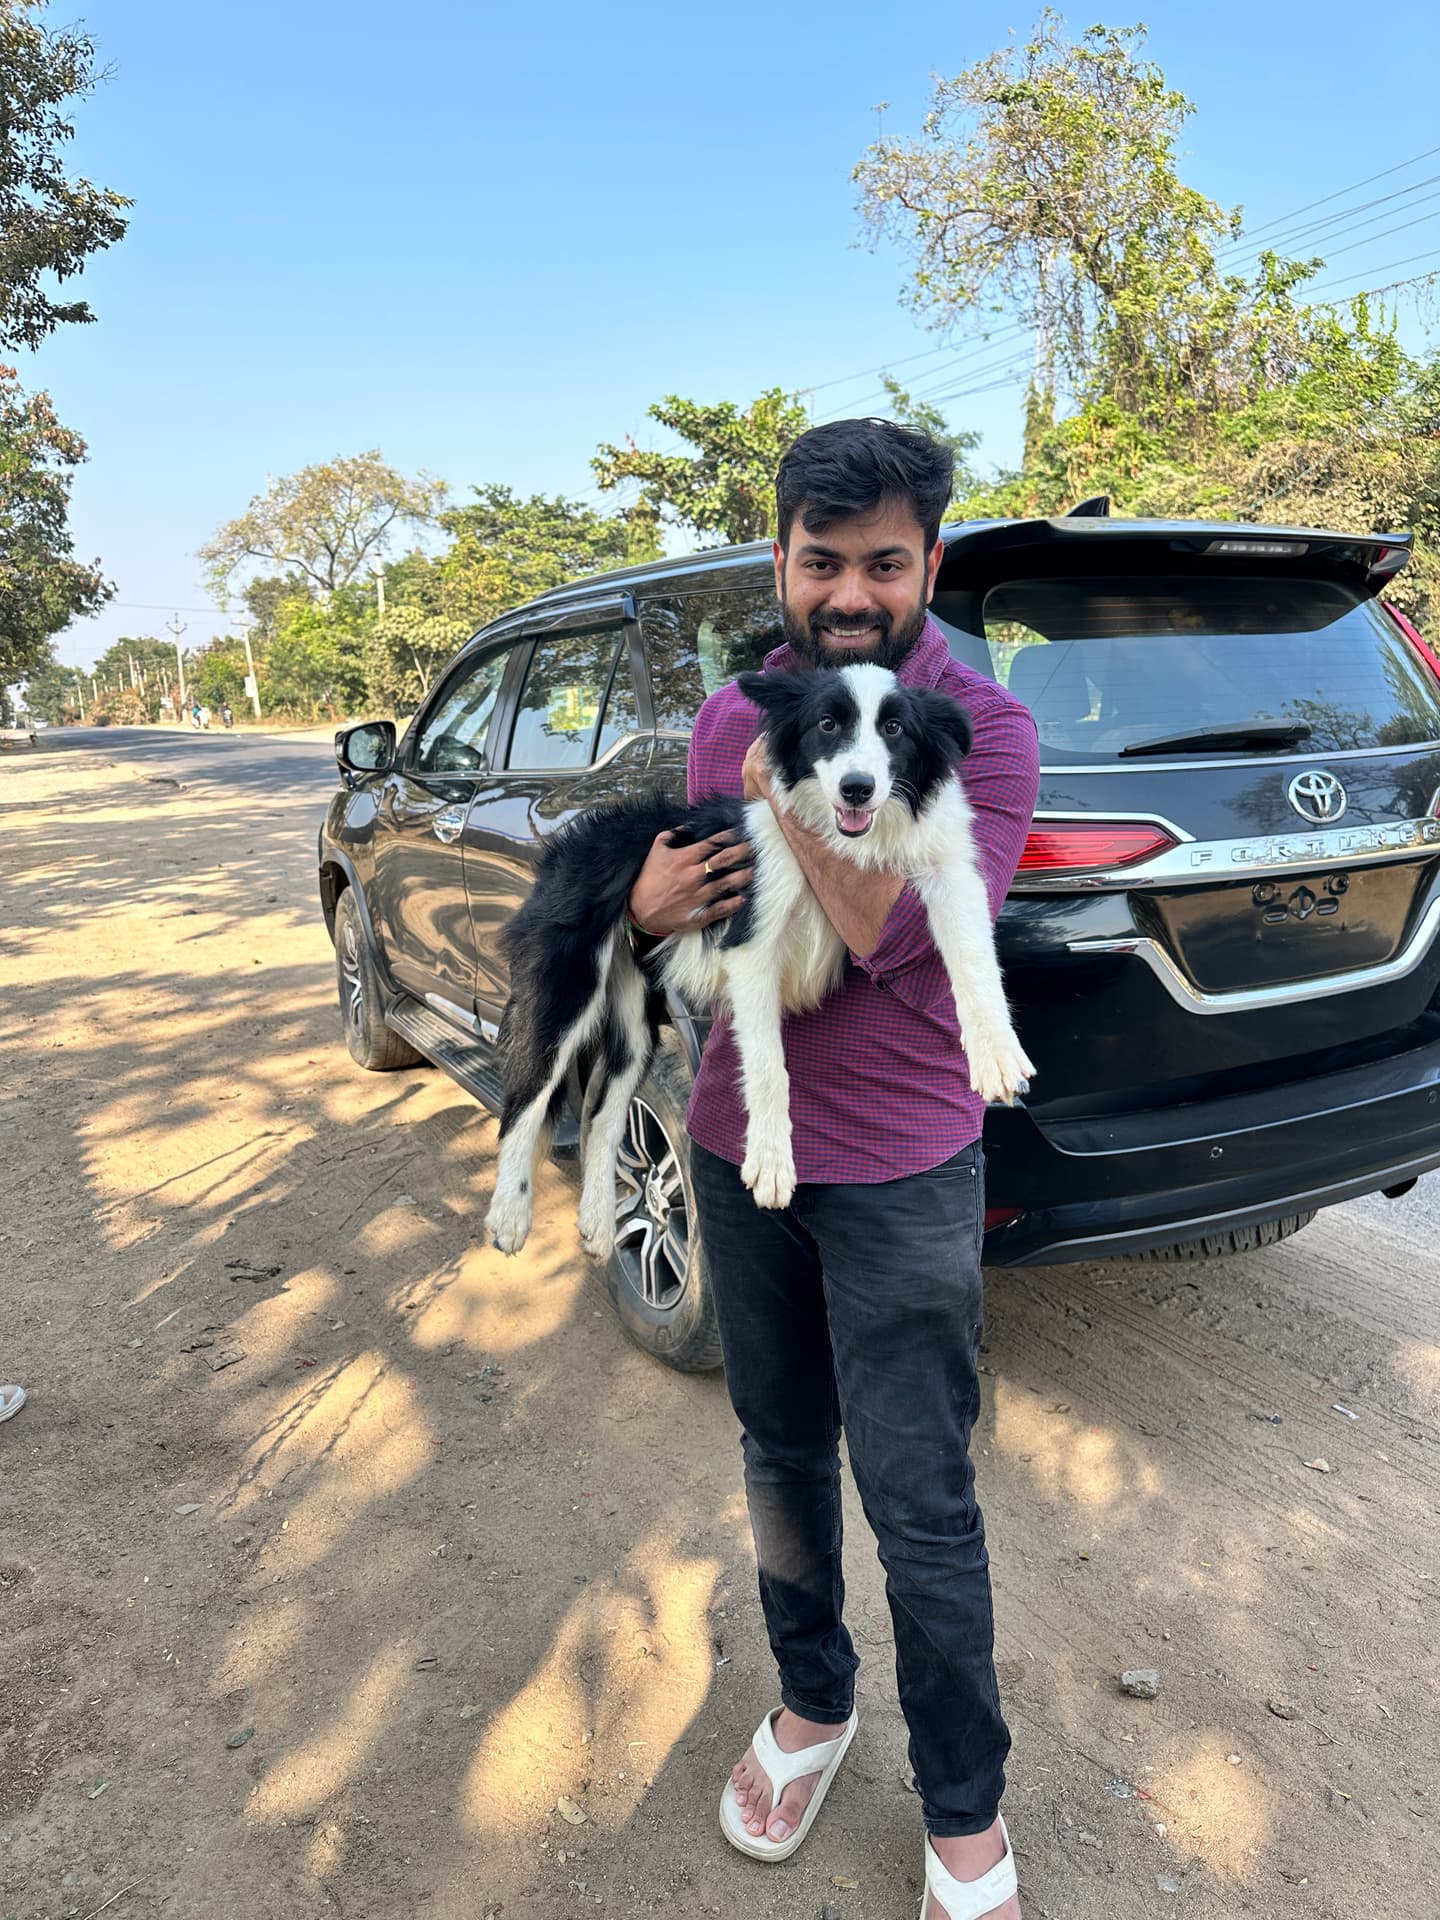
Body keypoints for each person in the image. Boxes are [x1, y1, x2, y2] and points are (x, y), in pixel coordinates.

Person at [627, 419, 1039, 1920]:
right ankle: (813, 1703)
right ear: (781, 562)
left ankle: (966, 1813)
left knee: (921, 1494)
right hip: (745, 1141)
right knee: (780, 1452)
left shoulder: (977, 728)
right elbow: (709, 932)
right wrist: (644, 902)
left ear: (930, 560)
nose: (850, 589)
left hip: (908, 1165)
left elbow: (909, 939)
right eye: (821, 560)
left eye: (883, 561)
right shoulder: (735, 713)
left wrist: (795, 788)